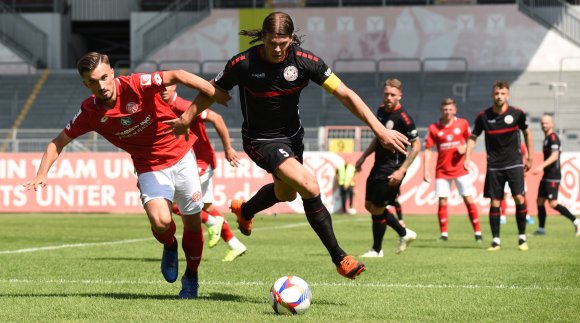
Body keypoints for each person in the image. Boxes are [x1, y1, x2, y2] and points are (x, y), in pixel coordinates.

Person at [163, 12, 410, 279]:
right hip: (260, 140)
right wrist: (186, 118)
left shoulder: (305, 61)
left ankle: (245, 210)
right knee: (309, 185)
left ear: (291, 38)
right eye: (272, 43)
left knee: (286, 194)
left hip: (293, 138)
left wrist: (378, 129)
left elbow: (345, 93)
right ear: (263, 38)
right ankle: (340, 258)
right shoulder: (243, 63)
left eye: (283, 43)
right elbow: (211, 90)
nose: (278, 49)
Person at [23, 52, 230, 299]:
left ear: (112, 73)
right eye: (92, 82)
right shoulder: (89, 112)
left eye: (103, 78)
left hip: (183, 157)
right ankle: (169, 245)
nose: (101, 86)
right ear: (85, 85)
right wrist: (42, 173)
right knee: (161, 222)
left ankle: (191, 276)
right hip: (148, 167)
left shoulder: (135, 84)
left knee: (193, 222)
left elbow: (177, 75)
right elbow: (58, 141)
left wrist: (212, 90)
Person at [160, 84, 248, 261]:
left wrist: (228, 148)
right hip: (189, 161)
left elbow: (217, 118)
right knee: (207, 207)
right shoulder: (163, 107)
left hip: (201, 161)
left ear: (174, 87)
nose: (162, 90)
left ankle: (212, 222)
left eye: (166, 87)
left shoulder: (183, 106)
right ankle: (235, 245)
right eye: (159, 88)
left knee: (176, 201)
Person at [465, 80, 533, 251]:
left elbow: (527, 132)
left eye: (502, 93)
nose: (499, 96)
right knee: (495, 202)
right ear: (492, 95)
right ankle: (496, 240)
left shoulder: (517, 114)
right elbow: (473, 137)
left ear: (507, 95)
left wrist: (530, 156)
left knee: (519, 198)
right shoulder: (483, 116)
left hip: (514, 163)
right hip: (494, 165)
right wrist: (467, 157)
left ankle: (522, 238)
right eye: (496, 93)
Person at [356, 78, 420, 258]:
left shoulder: (404, 118)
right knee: (369, 205)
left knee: (377, 208)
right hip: (378, 164)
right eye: (386, 94)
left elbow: (416, 146)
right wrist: (363, 156)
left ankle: (377, 250)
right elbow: (379, 137)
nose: (389, 97)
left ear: (400, 95)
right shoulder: (381, 111)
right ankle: (404, 233)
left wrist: (401, 170)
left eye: (393, 95)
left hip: (393, 168)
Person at [424, 98, 482, 242]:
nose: (448, 112)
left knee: (468, 199)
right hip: (442, 170)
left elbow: (471, 140)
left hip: (461, 169)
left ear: (455, 110)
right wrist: (426, 170)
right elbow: (428, 149)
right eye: (445, 109)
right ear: (441, 110)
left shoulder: (462, 124)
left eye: (450, 109)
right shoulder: (434, 128)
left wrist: (466, 153)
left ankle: (478, 232)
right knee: (442, 201)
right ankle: (444, 234)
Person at [531, 114, 580, 236]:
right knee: (540, 201)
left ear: (552, 124)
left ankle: (576, 221)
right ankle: (541, 229)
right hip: (546, 175)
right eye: (542, 123)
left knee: (553, 203)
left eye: (546, 123)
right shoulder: (547, 138)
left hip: (552, 175)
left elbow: (555, 156)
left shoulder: (553, 138)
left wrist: (541, 166)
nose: (544, 125)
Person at [499, 142, 534, 225]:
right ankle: (503, 216)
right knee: (504, 194)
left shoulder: (520, 145)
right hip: (505, 172)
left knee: (522, 195)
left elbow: (526, 157)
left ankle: (527, 215)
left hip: (518, 173)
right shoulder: (504, 144)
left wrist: (525, 168)